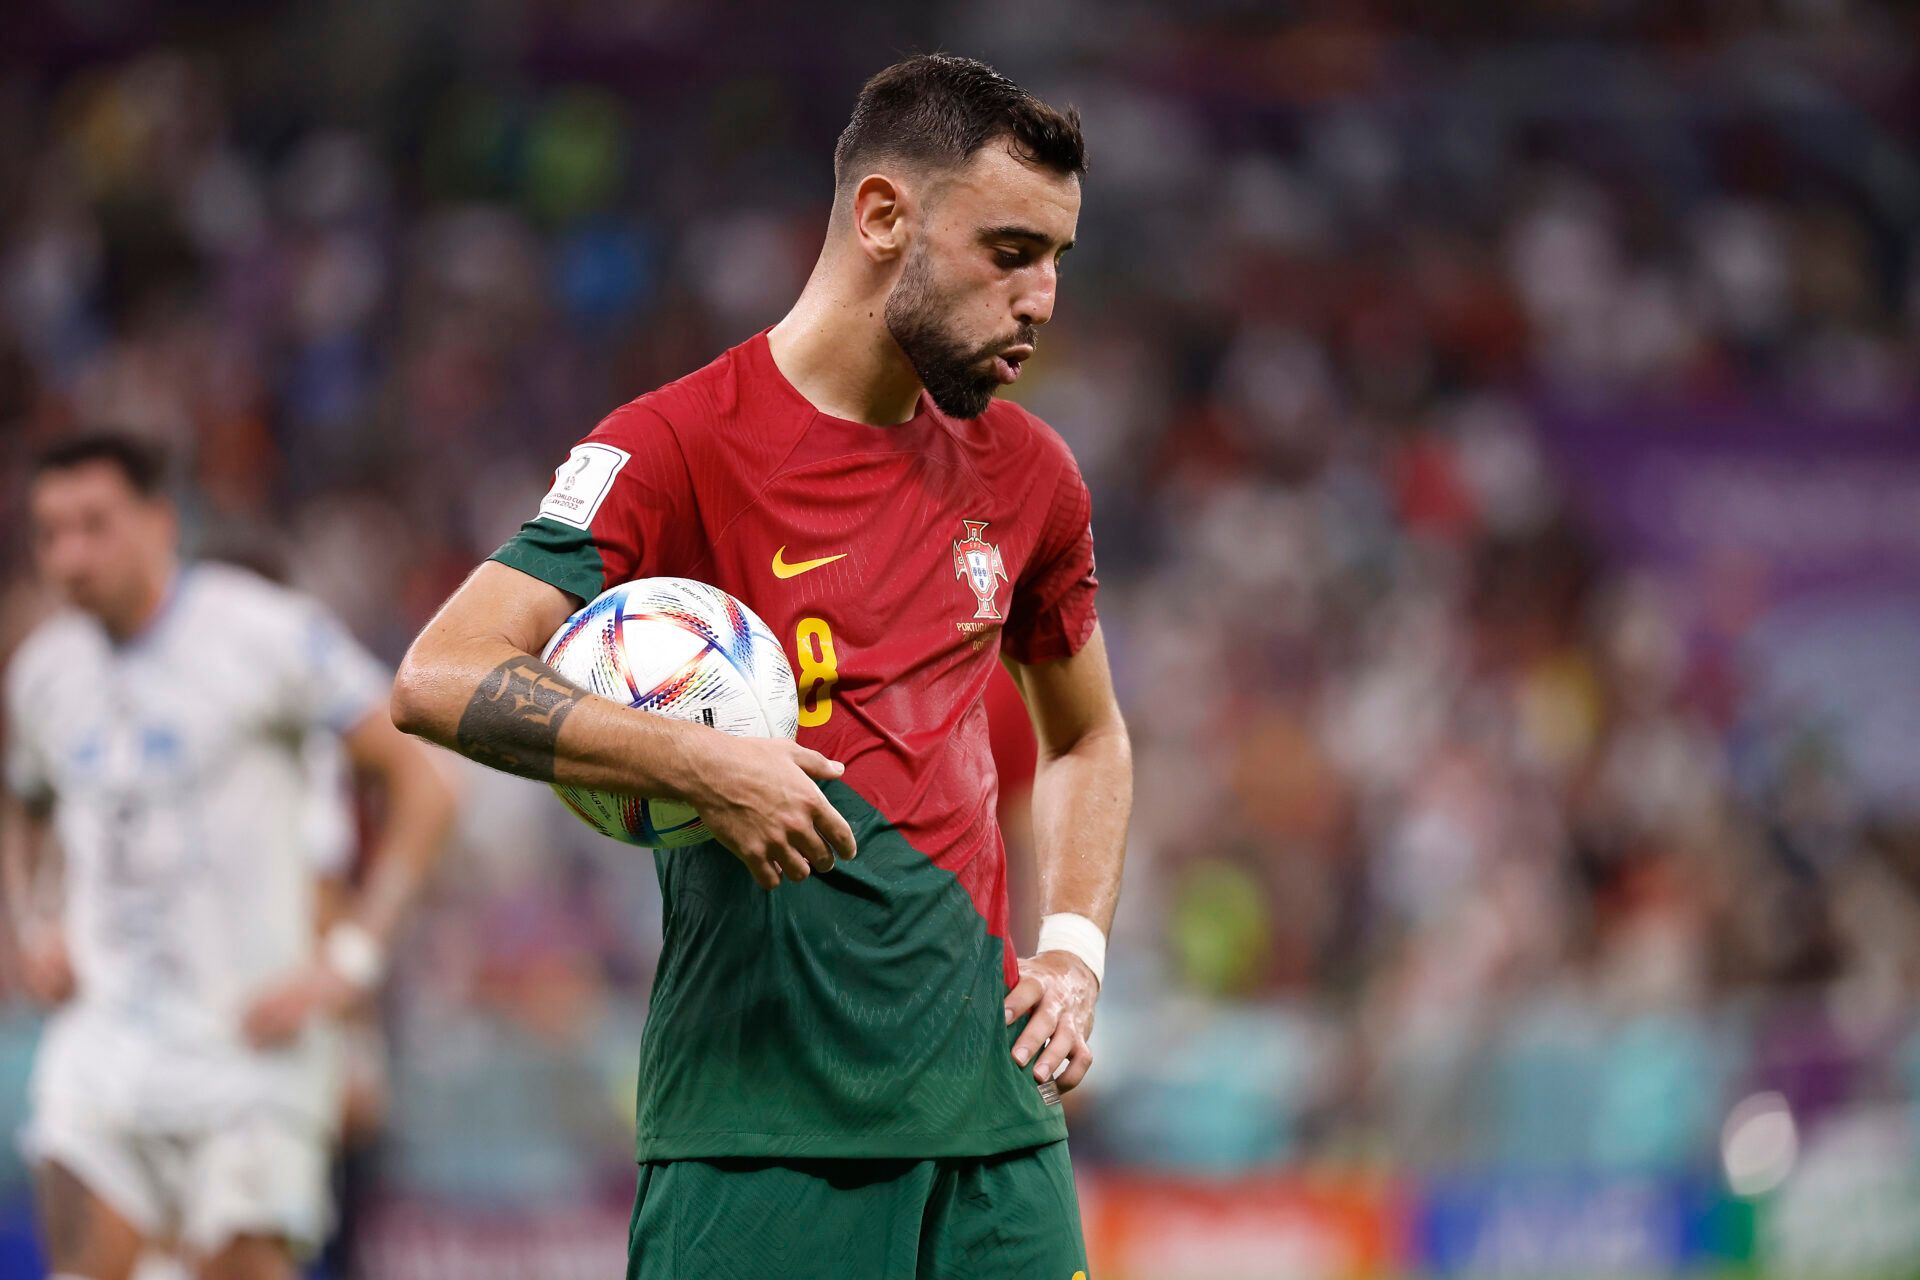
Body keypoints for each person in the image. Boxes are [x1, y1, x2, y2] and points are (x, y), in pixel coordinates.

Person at [393, 53, 1132, 1279]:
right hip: (761, 1130)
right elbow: (440, 673)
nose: (1043, 297)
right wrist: (701, 762)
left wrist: (1075, 950)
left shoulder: (1032, 475)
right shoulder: (678, 444)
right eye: (1010, 251)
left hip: (998, 1133)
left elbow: (1090, 736)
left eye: (1058, 258)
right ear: (884, 216)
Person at [1, 433, 457, 1280]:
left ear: (158, 522)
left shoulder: (265, 635)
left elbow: (422, 787)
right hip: (103, 1042)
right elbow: (28, 808)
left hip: (251, 1045)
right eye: (49, 532)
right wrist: (36, 922)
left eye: (94, 525)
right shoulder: (42, 675)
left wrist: (350, 965)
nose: (69, 556)